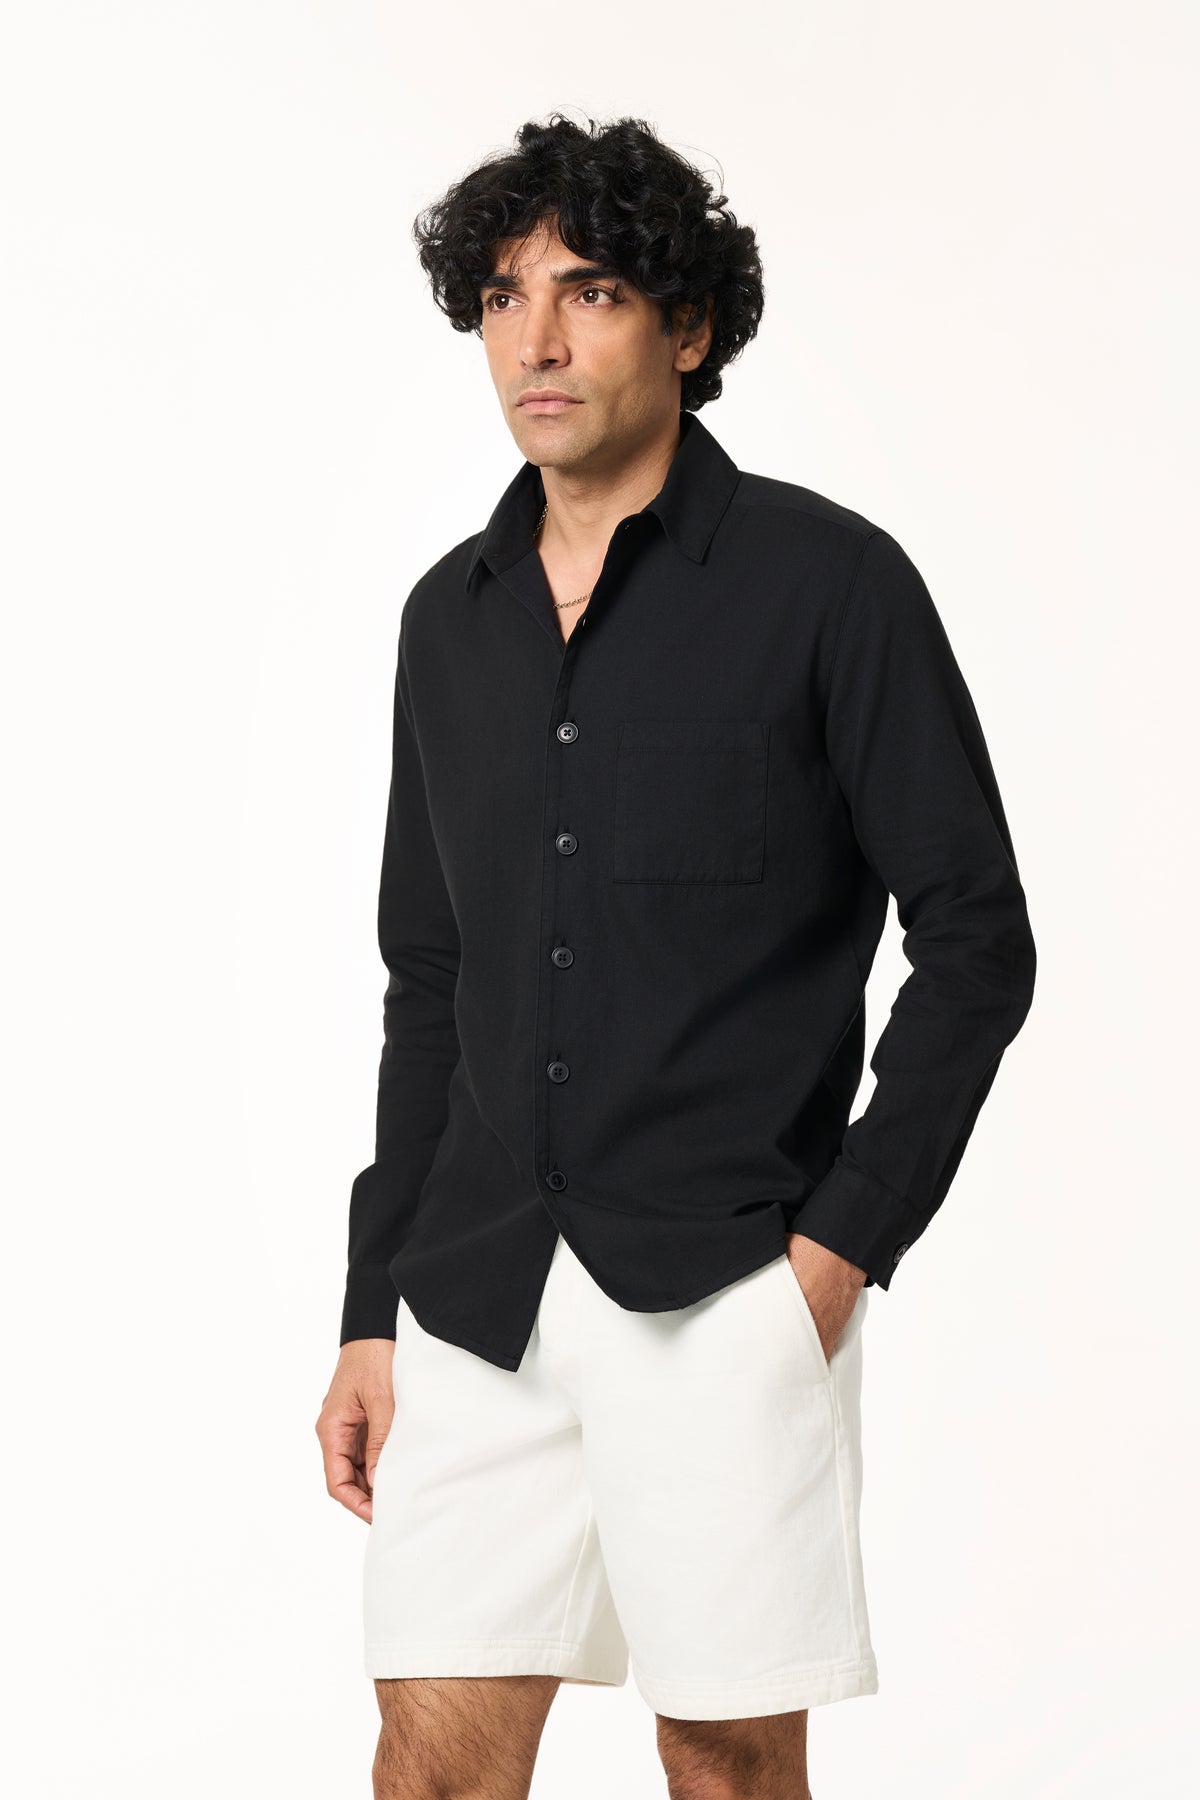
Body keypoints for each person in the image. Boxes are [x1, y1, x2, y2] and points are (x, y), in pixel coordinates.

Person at [315, 112, 1037, 1800]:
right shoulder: (448, 619)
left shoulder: (832, 588)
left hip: (724, 1289)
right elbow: (430, 978)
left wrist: (839, 1251)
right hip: (476, 1292)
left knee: (725, 1761)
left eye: (591, 291)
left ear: (689, 327)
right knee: (430, 1762)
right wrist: (370, 1311)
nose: (537, 342)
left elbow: (977, 941)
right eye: (502, 298)